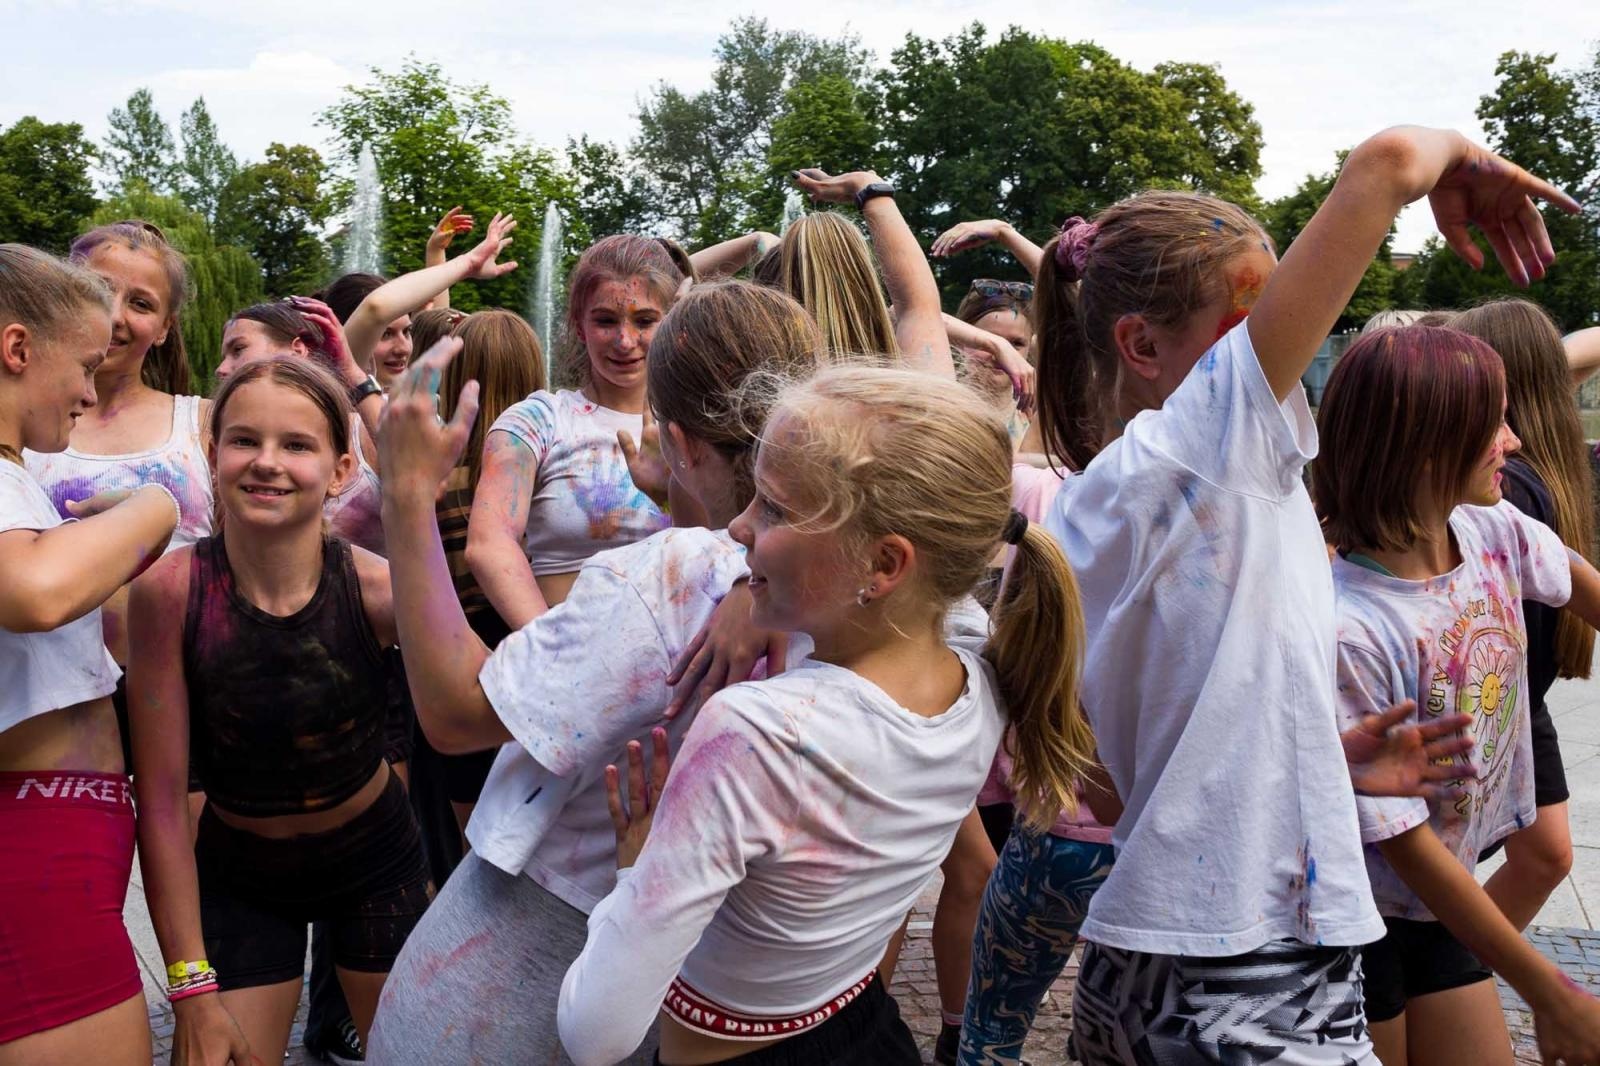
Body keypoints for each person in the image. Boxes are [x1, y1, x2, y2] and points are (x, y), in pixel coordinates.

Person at [1029, 127, 1580, 1064]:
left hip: (1148, 962)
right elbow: (1387, 160)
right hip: (1241, 976)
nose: (1291, 335)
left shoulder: (1101, 505)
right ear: (1141, 345)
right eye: (1259, 316)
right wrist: (1455, 168)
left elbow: (1112, 781)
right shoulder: (1204, 450)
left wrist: (1314, 758)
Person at [555, 362, 1097, 1066]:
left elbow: (596, 1034)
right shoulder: (977, 666)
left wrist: (634, 870)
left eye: (775, 509)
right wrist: (755, 593)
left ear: (884, 564)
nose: (741, 527)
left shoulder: (756, 735)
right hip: (864, 1030)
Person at [366, 281, 821, 1064]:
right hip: (702, 972)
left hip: (525, 967)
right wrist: (685, 506)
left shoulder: (671, 578)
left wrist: (406, 496)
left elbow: (453, 713)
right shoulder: (841, 581)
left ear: (677, 439)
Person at [128, 358, 432, 1066]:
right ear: (213, 455)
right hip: (239, 868)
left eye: (296, 445)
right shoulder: (170, 593)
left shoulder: (379, 591)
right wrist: (191, 988)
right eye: (244, 441)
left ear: (340, 467)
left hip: (374, 857)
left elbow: (472, 701)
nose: (267, 463)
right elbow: (165, 802)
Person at [1316, 324, 1600, 1065]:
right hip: (1351, 924)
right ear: (1428, 447)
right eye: (1494, 424)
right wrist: (1548, 992)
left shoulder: (1492, 527)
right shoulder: (1348, 626)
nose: (1511, 440)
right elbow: (1405, 845)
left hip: (1441, 905)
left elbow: (1587, 591)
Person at [0, 243, 179, 1066]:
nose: (86, 389)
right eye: (80, 363)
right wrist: (152, 506)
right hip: (35, 847)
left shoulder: (18, 473)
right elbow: (34, 594)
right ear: (16, 350)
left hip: (52, 838)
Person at [1453, 299, 1596, 933]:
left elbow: (1559, 363)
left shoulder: (1522, 470)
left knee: (1545, 852)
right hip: (1478, 698)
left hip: (1513, 695)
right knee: (1443, 876)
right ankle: (1456, 970)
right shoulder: (1507, 488)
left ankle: (1459, 967)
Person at [466, 233, 678, 631]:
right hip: (566, 665)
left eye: (645, 321)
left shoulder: (694, 426)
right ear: (579, 325)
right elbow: (488, 544)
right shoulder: (536, 421)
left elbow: (726, 547)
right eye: (605, 321)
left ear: (671, 322)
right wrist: (553, 650)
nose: (625, 340)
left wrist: (672, 497)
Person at [432, 308, 542, 837]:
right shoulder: (549, 476)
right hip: (531, 648)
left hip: (460, 663)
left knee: (470, 842)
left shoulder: (436, 477)